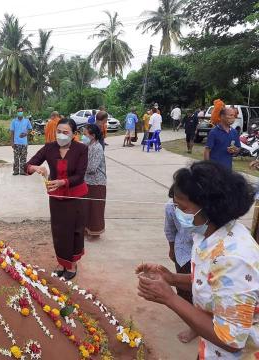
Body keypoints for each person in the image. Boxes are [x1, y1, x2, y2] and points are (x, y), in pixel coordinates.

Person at [136, 161, 259, 359]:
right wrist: (172, 278)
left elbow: (231, 341)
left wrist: (170, 298)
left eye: (182, 208)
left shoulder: (234, 259)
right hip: (210, 349)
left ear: (211, 208)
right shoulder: (207, 234)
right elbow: (212, 280)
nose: (176, 213)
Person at [25, 118, 88, 280]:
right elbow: (28, 165)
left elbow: (80, 176)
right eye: (58, 132)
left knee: (74, 229)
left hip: (75, 196)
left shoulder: (81, 149)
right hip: (56, 197)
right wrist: (35, 167)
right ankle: (61, 263)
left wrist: (62, 182)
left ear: (74, 134)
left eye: (65, 132)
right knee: (59, 230)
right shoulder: (49, 148)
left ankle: (72, 264)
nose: (61, 135)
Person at [164, 187, 196, 343]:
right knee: (184, 289)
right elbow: (169, 229)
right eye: (176, 205)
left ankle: (197, 324)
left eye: (183, 207)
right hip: (183, 252)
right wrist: (172, 249)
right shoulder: (170, 207)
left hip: (199, 253)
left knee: (200, 289)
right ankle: (193, 321)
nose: (179, 210)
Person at [82, 124, 106, 239]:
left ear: (93, 136)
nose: (83, 136)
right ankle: (87, 230)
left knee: (95, 209)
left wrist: (79, 168)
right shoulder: (88, 145)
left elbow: (92, 168)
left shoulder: (97, 147)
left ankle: (95, 232)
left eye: (85, 134)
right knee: (86, 207)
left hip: (97, 182)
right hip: (87, 181)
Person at [9, 106, 32, 176]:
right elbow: (12, 132)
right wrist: (12, 142)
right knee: (16, 158)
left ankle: (22, 171)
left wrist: (26, 133)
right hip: (16, 142)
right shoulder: (13, 121)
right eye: (19, 111)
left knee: (23, 158)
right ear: (17, 112)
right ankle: (16, 171)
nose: (20, 112)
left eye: (21, 111)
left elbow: (30, 129)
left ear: (23, 112)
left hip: (24, 143)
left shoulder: (27, 121)